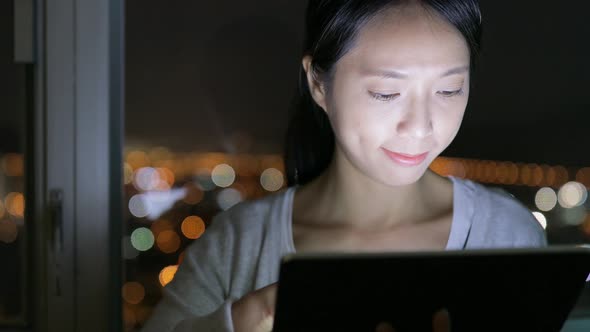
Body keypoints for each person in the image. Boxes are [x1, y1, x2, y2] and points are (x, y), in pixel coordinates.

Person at [141, 0, 547, 331]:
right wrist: (248, 318)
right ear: (319, 84)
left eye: (449, 89)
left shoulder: (505, 234)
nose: (421, 126)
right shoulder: (240, 243)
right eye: (387, 93)